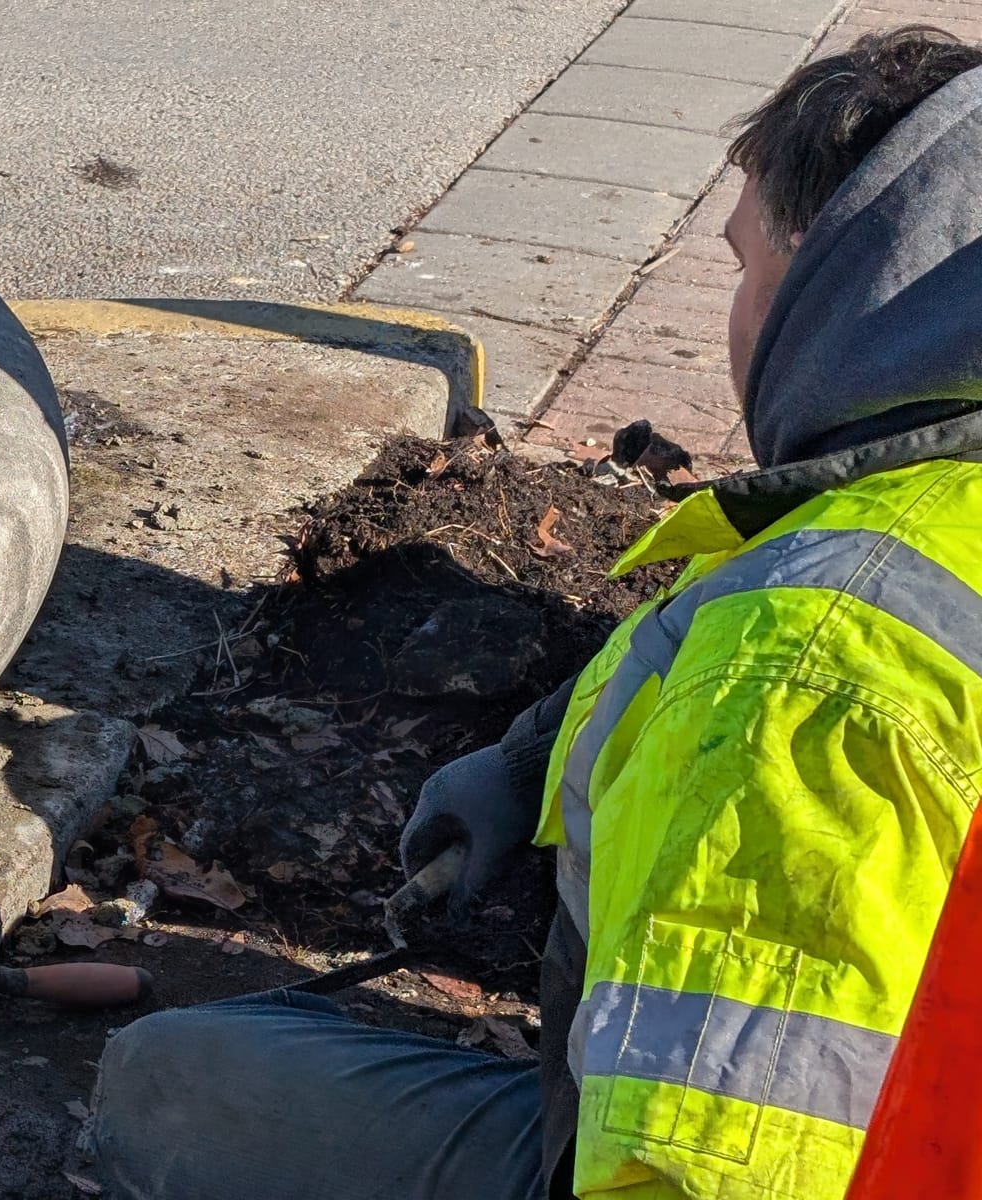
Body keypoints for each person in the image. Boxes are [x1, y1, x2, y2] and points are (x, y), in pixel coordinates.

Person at [88, 25, 982, 1200]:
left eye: (742, 266)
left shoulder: (802, 666)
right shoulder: (922, 521)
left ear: (834, 292)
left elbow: (712, 1174)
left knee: (170, 1085)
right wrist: (524, 766)